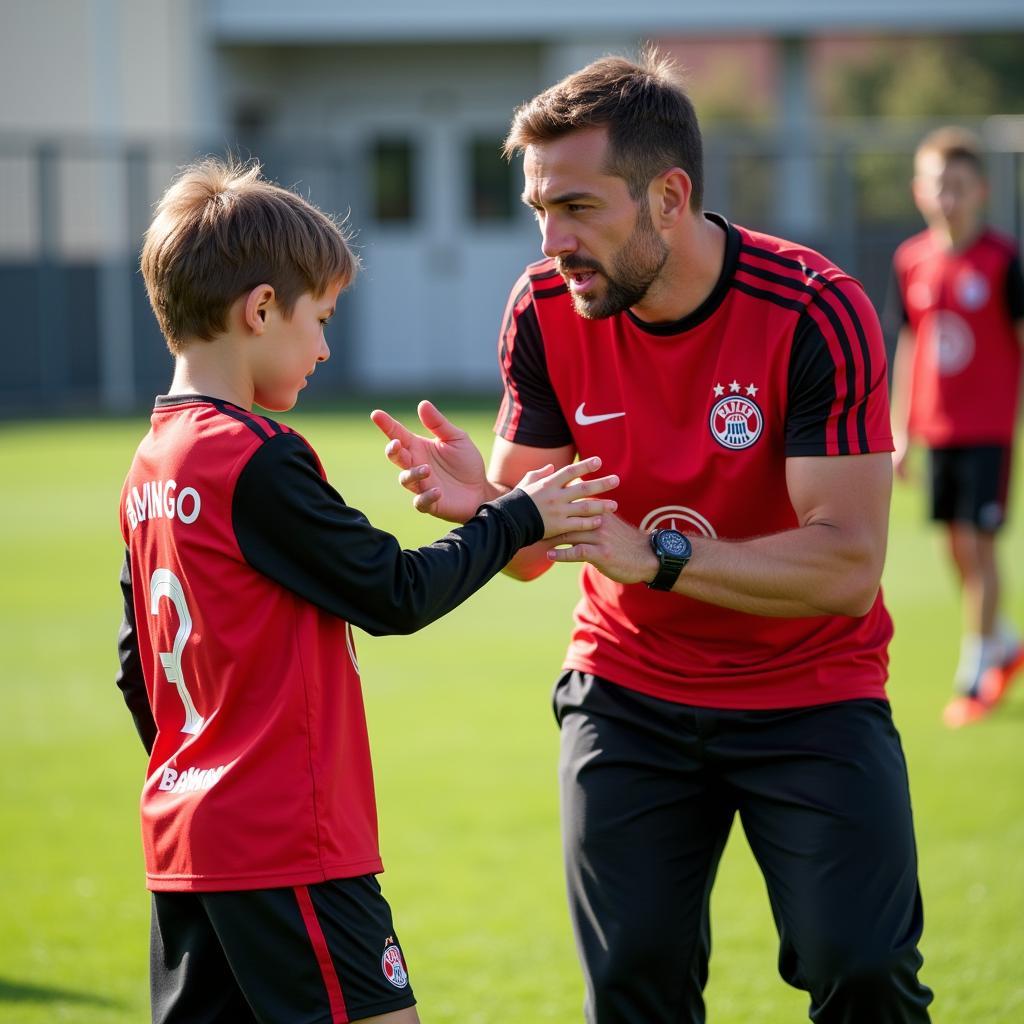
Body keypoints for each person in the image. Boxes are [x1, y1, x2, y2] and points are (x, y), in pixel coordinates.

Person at [372, 52, 933, 1024]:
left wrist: (660, 557)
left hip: (810, 692)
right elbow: (534, 553)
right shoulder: (543, 308)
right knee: (632, 980)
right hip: (629, 691)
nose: (552, 241)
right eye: (539, 208)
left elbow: (846, 566)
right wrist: (491, 511)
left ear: (668, 196)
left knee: (863, 968)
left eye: (579, 207)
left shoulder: (813, 308)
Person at [114, 157, 618, 1024]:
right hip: (286, 844)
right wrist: (518, 518)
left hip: (188, 844)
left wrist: (203, 773)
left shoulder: (149, 465)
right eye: (321, 319)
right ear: (260, 309)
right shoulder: (254, 456)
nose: (324, 347)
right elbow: (393, 592)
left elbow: (136, 668)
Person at [889, 126, 1024, 729]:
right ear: (920, 191)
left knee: (981, 544)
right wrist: (901, 428)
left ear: (981, 192)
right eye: (938, 185)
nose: (948, 197)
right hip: (936, 430)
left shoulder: (1003, 261)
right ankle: (1005, 642)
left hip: (989, 428)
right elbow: (912, 346)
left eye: (959, 187)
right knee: (956, 546)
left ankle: (976, 670)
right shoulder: (911, 260)